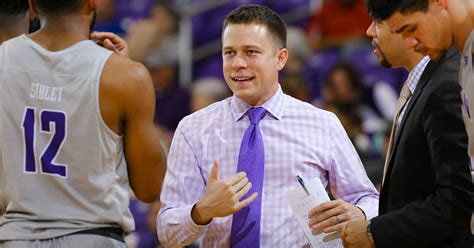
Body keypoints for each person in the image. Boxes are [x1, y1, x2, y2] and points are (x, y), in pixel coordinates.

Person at [157, 4, 378, 247]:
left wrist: (358, 213)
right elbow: (167, 232)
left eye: (250, 52)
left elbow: (367, 198)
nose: (238, 63)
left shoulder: (322, 123)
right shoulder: (193, 129)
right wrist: (202, 211)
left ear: (280, 58)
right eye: (229, 53)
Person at [0, 0, 166, 247]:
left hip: (16, 236)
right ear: (93, 2)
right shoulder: (127, 76)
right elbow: (149, 189)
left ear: (32, 5)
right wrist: (127, 80)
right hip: (93, 236)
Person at [341, 11, 474, 248]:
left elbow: (458, 201)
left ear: (406, 24)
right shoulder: (428, 81)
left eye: (378, 22)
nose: (369, 32)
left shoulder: (445, 85)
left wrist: (375, 232)